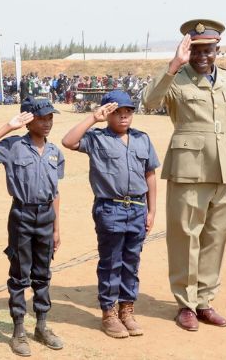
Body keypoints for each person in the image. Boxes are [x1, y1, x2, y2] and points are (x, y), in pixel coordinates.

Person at [142, 19, 226, 331]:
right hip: (188, 170)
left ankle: (204, 301)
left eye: (207, 50)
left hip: (223, 169)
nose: (202, 56)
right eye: (195, 51)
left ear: (216, 50)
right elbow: (150, 101)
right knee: (185, 236)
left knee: (215, 237)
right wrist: (173, 65)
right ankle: (185, 304)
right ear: (187, 51)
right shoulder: (176, 79)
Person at [62, 90, 159, 338]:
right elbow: (68, 141)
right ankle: (109, 312)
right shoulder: (96, 139)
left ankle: (127, 309)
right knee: (111, 262)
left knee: (131, 262)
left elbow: (150, 175)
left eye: (128, 111)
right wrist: (93, 119)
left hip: (138, 208)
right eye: (116, 112)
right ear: (107, 114)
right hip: (110, 208)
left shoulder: (142, 139)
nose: (123, 116)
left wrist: (152, 210)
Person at [0, 96, 65, 357]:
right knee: (19, 275)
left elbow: (55, 192)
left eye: (50, 117)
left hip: (46, 216)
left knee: (43, 273)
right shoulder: (13, 146)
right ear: (28, 120)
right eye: (42, 117)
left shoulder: (54, 151)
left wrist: (57, 227)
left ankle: (43, 326)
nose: (48, 122)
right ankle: (19, 330)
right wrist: (8, 126)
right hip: (22, 215)